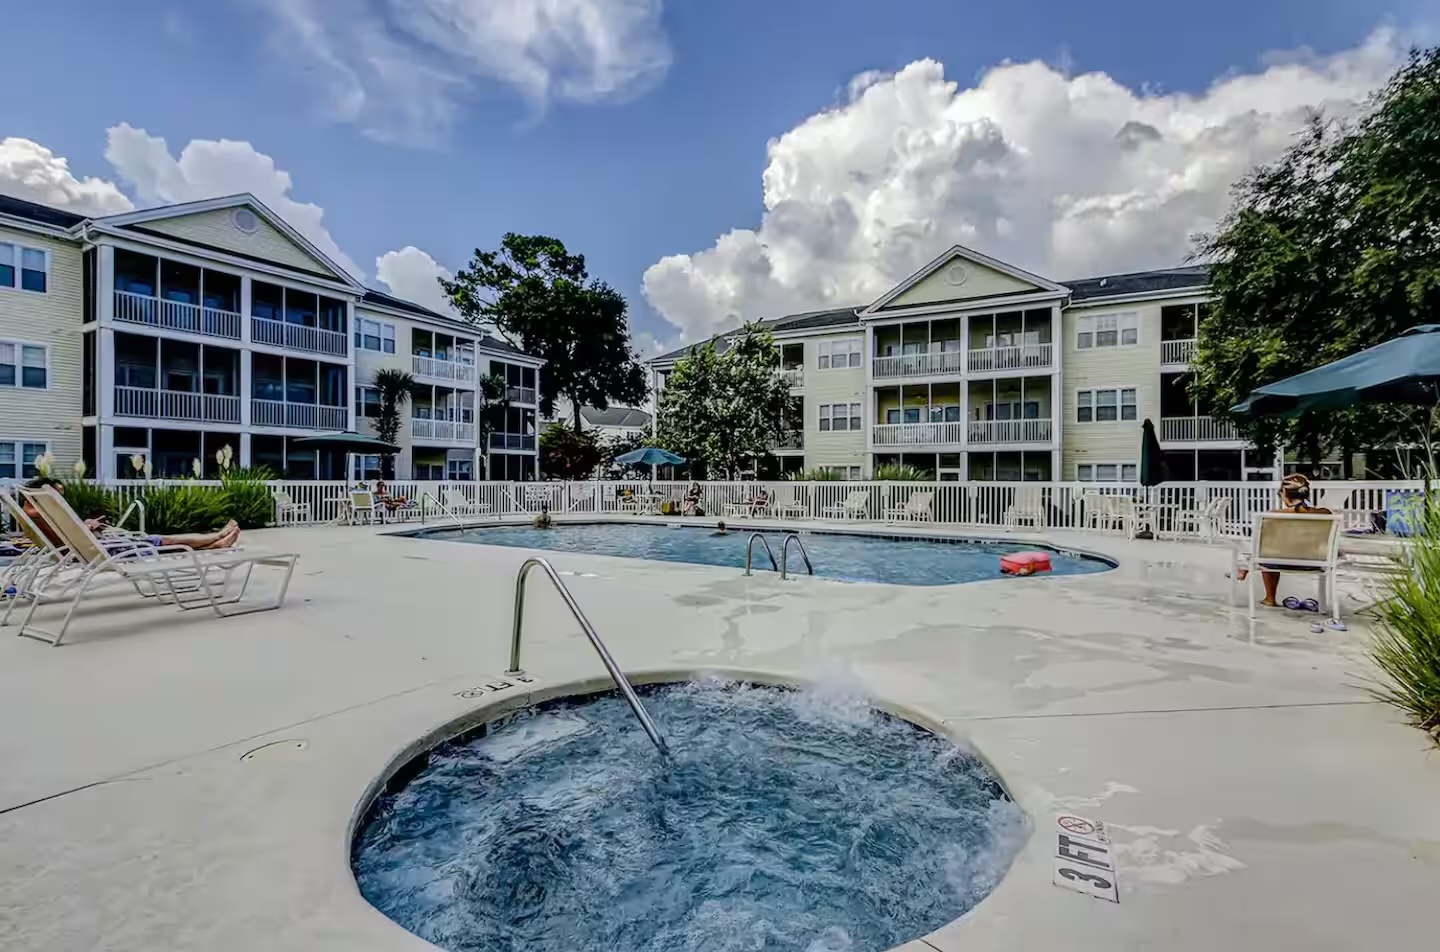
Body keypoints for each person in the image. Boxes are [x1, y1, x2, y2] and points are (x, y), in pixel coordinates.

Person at [22, 476, 241, 552]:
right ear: (44, 491)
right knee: (163, 540)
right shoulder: (38, 510)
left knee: (158, 540)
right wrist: (86, 527)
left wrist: (86, 525)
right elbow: (67, 536)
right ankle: (214, 537)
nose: (61, 498)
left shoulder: (31, 510)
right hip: (99, 550)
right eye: (58, 494)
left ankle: (215, 544)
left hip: (87, 547)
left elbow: (63, 533)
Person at [1237, 473, 1332, 607]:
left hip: (1281, 561)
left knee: (1264, 550)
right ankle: (1244, 568)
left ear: (1285, 494)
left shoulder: (1273, 515)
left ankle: (1269, 597)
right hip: (1315, 562)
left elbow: (1264, 541)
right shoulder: (1324, 513)